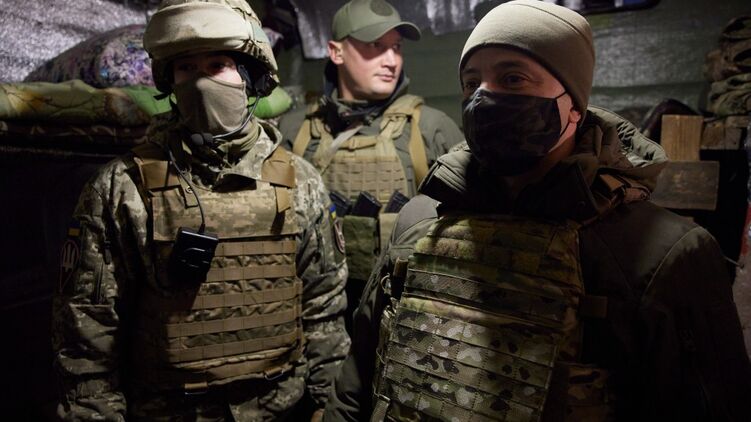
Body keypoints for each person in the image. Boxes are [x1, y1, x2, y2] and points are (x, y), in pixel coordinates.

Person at [324, 1, 751, 421]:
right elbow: (357, 387)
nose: (483, 97)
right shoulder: (420, 220)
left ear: (574, 105)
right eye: (471, 82)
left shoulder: (663, 253)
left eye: (513, 78)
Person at [51, 1, 349, 420]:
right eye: (186, 68)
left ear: (250, 77)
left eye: (217, 65)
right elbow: (87, 333)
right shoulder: (122, 187)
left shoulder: (301, 182)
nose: (202, 82)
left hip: (281, 410)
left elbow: (324, 310)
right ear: (170, 82)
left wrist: (326, 409)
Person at [277, 0, 464, 325]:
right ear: (336, 52)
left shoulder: (430, 128)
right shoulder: (296, 130)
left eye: (396, 47)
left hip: (402, 313)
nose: (391, 60)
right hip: (318, 314)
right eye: (375, 46)